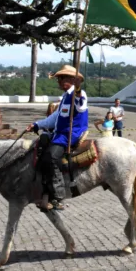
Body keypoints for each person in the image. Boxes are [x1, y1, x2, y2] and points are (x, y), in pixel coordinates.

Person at [26, 65, 88, 211]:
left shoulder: (80, 94)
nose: (58, 81)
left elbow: (81, 107)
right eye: (59, 79)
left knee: (51, 157)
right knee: (40, 143)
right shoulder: (65, 97)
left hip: (71, 134)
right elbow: (55, 118)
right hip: (60, 132)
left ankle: (58, 196)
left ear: (71, 80)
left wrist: (78, 90)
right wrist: (37, 125)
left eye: (61, 78)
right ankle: (42, 188)